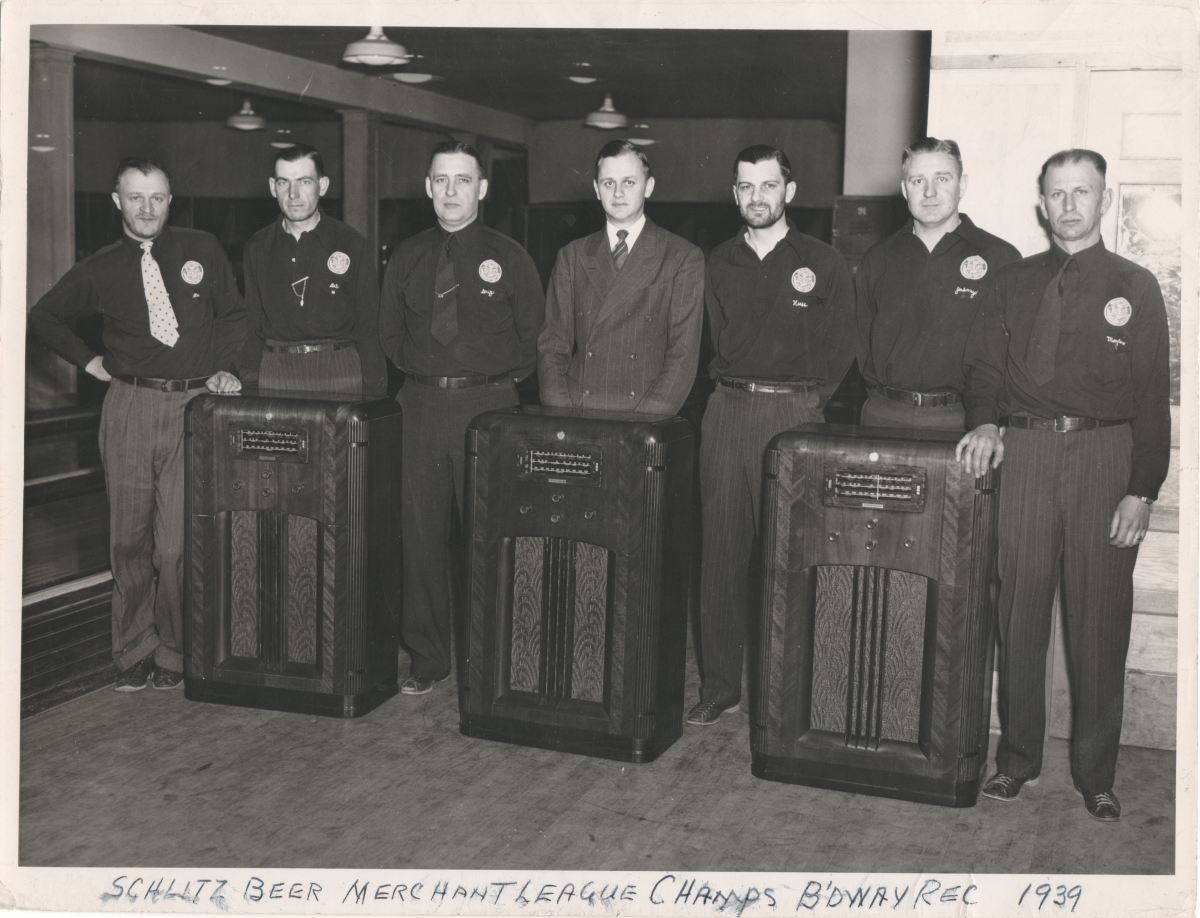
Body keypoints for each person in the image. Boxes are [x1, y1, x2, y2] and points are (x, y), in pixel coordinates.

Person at [956, 149, 1170, 821]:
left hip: (1105, 459)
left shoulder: (1133, 285)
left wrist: (1142, 489)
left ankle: (1096, 774)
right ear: (1041, 204)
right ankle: (1017, 759)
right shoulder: (1010, 283)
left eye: (1083, 192)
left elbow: (1152, 399)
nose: (1070, 204)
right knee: (1017, 613)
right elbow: (984, 371)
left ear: (1103, 201)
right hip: (1026, 456)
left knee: (1099, 622)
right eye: (1059, 193)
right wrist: (986, 424)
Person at [27, 158, 245, 691]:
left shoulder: (202, 249)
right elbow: (44, 316)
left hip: (192, 406)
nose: (147, 209)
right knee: (128, 541)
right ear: (117, 201)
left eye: (157, 198)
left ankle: (173, 649)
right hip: (128, 407)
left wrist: (225, 367)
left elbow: (233, 316)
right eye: (136, 198)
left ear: (171, 199)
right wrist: (90, 363)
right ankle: (132, 651)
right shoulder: (100, 268)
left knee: (173, 547)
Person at [687, 145, 855, 726]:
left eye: (768, 185)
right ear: (734, 194)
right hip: (727, 413)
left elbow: (840, 350)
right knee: (721, 555)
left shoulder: (823, 262)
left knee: (792, 559)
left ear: (790, 190)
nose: (757, 197)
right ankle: (718, 685)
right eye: (746, 187)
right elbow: (706, 340)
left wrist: (806, 405)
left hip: (793, 418)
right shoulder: (715, 261)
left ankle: (790, 690)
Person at [379, 140, 545, 695]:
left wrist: (489, 383)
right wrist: (429, 374)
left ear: (482, 189)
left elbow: (531, 340)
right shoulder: (406, 256)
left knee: (491, 537)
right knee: (420, 538)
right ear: (428, 187)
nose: (452, 192)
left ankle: (491, 655)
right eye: (442, 181)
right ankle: (427, 656)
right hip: (420, 406)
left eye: (463, 181)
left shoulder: (511, 255)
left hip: (489, 407)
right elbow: (390, 336)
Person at [855, 138, 1021, 429]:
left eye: (942, 179)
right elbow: (861, 343)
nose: (929, 192)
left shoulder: (999, 258)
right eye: (918, 180)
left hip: (962, 420)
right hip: (884, 415)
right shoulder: (878, 259)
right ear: (905, 189)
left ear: (962, 184)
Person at [537, 140, 704, 415]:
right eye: (608, 183)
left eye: (629, 182)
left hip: (644, 414)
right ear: (595, 189)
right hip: (581, 411)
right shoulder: (572, 255)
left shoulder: (681, 256)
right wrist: (563, 415)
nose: (617, 193)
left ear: (648, 186)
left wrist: (646, 422)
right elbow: (552, 347)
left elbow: (682, 356)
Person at [237, 143, 386, 397]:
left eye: (304, 181)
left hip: (340, 371)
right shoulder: (257, 247)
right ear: (273, 187)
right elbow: (251, 324)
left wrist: (374, 393)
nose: (293, 194)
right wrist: (249, 380)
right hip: (275, 372)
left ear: (323, 185)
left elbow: (369, 328)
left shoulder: (351, 244)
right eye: (284, 183)